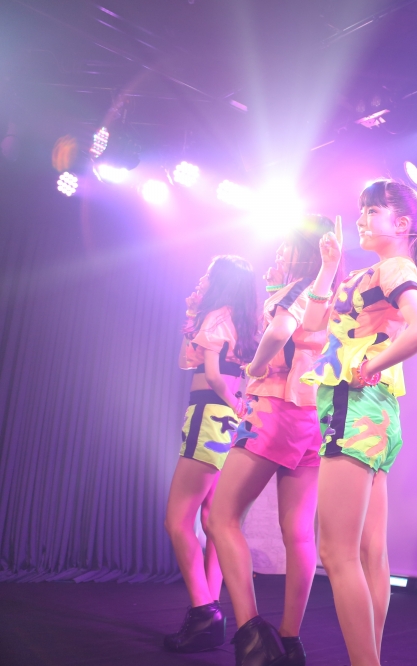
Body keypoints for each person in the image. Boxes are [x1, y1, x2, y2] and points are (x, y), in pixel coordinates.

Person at [301, 179, 417, 666]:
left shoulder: (394, 267)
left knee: (337, 552)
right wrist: (328, 266)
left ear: (402, 223)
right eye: (361, 209)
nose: (361, 218)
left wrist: (372, 365)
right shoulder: (374, 271)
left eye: (372, 210)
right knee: (369, 553)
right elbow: (312, 327)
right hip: (373, 413)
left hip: (355, 408)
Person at [207, 216, 336, 666]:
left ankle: (251, 635)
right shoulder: (329, 291)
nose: (278, 252)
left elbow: (279, 333)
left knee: (221, 517)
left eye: (285, 245)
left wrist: (253, 369)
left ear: (302, 250)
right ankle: (289, 640)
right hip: (313, 417)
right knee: (298, 532)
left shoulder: (298, 289)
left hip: (274, 407)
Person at [164, 255, 259, 653]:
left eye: (208, 274)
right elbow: (190, 360)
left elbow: (214, 375)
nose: (201, 278)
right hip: (228, 422)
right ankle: (210, 607)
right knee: (213, 517)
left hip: (209, 413)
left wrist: (231, 401)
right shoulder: (243, 320)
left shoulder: (218, 316)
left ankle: (204, 610)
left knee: (177, 519)